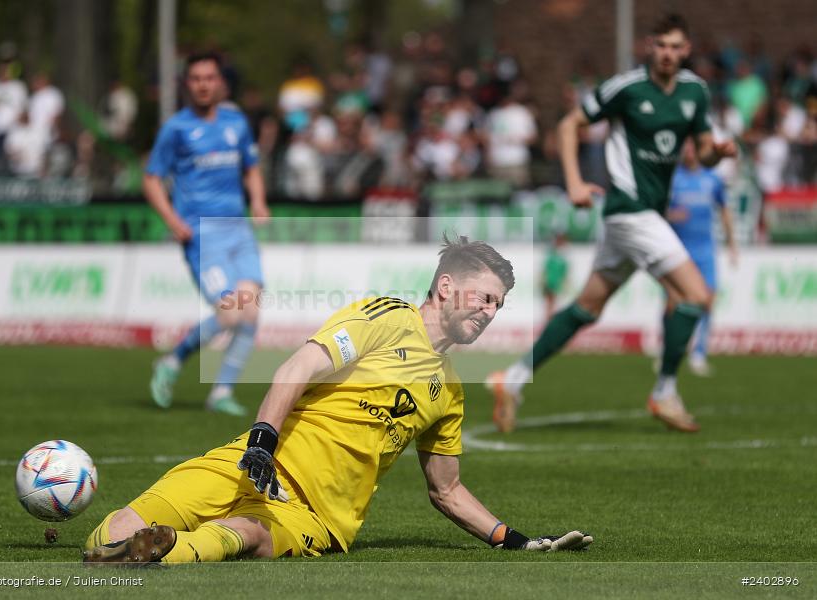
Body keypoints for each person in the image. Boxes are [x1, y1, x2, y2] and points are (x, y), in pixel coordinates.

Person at [82, 236, 593, 564]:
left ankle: (163, 552)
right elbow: (299, 366)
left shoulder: (450, 393)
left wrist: (514, 539)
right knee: (115, 529)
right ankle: (124, 552)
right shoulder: (386, 317)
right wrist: (261, 445)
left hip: (316, 515)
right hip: (251, 462)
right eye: (483, 297)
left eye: (498, 305)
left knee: (251, 533)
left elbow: (447, 490)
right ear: (445, 286)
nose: (490, 311)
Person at [486, 13, 736, 434]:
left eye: (677, 47)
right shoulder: (626, 88)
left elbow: (705, 150)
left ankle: (510, 380)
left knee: (587, 307)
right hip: (628, 210)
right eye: (662, 45)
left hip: (645, 216)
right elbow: (569, 125)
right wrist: (575, 182)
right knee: (695, 295)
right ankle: (665, 392)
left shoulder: (695, 92)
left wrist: (719, 154)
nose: (668, 54)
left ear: (687, 49)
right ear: (649, 45)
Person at [146, 52, 269, 415]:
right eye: (196, 78)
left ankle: (221, 393)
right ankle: (172, 360)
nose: (203, 84)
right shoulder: (176, 128)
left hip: (238, 230)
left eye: (209, 77)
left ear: (220, 83)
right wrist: (171, 219)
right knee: (231, 313)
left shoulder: (236, 122)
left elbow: (251, 167)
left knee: (250, 311)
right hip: (202, 235)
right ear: (188, 84)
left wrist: (259, 201)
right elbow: (152, 178)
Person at [666, 139, 737, 376]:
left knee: (708, 301)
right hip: (678, 250)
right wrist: (672, 215)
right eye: (684, 147)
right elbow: (658, 210)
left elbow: (724, 210)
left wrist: (732, 244)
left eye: (691, 146)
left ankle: (699, 353)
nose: (688, 151)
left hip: (705, 250)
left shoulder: (712, 179)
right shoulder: (672, 178)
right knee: (673, 302)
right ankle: (669, 351)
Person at [541, 233, 570, 323]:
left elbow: (564, 273)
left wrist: (565, 283)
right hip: (550, 282)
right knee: (550, 304)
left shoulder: (563, 257)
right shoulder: (552, 254)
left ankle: (550, 321)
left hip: (556, 283)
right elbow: (545, 269)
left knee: (553, 304)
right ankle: (548, 321)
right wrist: (543, 281)